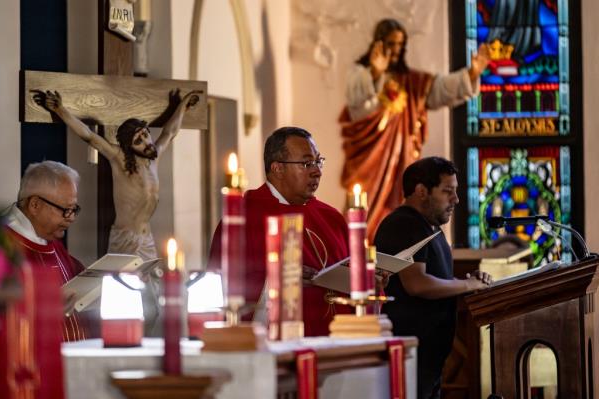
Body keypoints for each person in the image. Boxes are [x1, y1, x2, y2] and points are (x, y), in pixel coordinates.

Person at [340, 18, 491, 241]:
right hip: (371, 162)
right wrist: (374, 74)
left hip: (404, 157)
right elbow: (357, 106)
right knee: (368, 207)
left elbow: (440, 89)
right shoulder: (361, 76)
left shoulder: (412, 82)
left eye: (400, 44)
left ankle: (396, 242)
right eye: (391, 43)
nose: (396, 49)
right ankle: (364, 246)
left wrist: (471, 73)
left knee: (401, 201)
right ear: (379, 43)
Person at [208, 126, 350, 337]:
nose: (317, 171)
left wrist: (369, 280)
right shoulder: (244, 218)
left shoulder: (331, 217)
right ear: (277, 169)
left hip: (341, 344)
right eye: (306, 163)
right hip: (278, 343)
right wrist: (278, 278)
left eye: (318, 162)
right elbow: (221, 288)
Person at [374, 157, 492, 399]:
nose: (456, 200)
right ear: (421, 191)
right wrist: (466, 284)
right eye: (447, 191)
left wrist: (466, 282)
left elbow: (437, 278)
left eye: (456, 191)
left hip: (427, 358)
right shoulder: (403, 224)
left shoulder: (429, 227)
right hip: (408, 354)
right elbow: (417, 284)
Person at [33, 89, 201, 260]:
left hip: (146, 238)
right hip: (125, 239)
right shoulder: (119, 158)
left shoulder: (154, 157)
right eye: (138, 141)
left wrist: (183, 105)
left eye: (145, 135)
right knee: (123, 284)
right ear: (130, 148)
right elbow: (89, 136)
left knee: (153, 285)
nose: (145, 142)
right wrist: (60, 109)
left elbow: (170, 132)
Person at [3, 160, 92, 341]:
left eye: (74, 209)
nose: (72, 218)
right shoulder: (4, 246)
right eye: (65, 210)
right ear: (35, 205)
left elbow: (82, 281)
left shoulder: (51, 241)